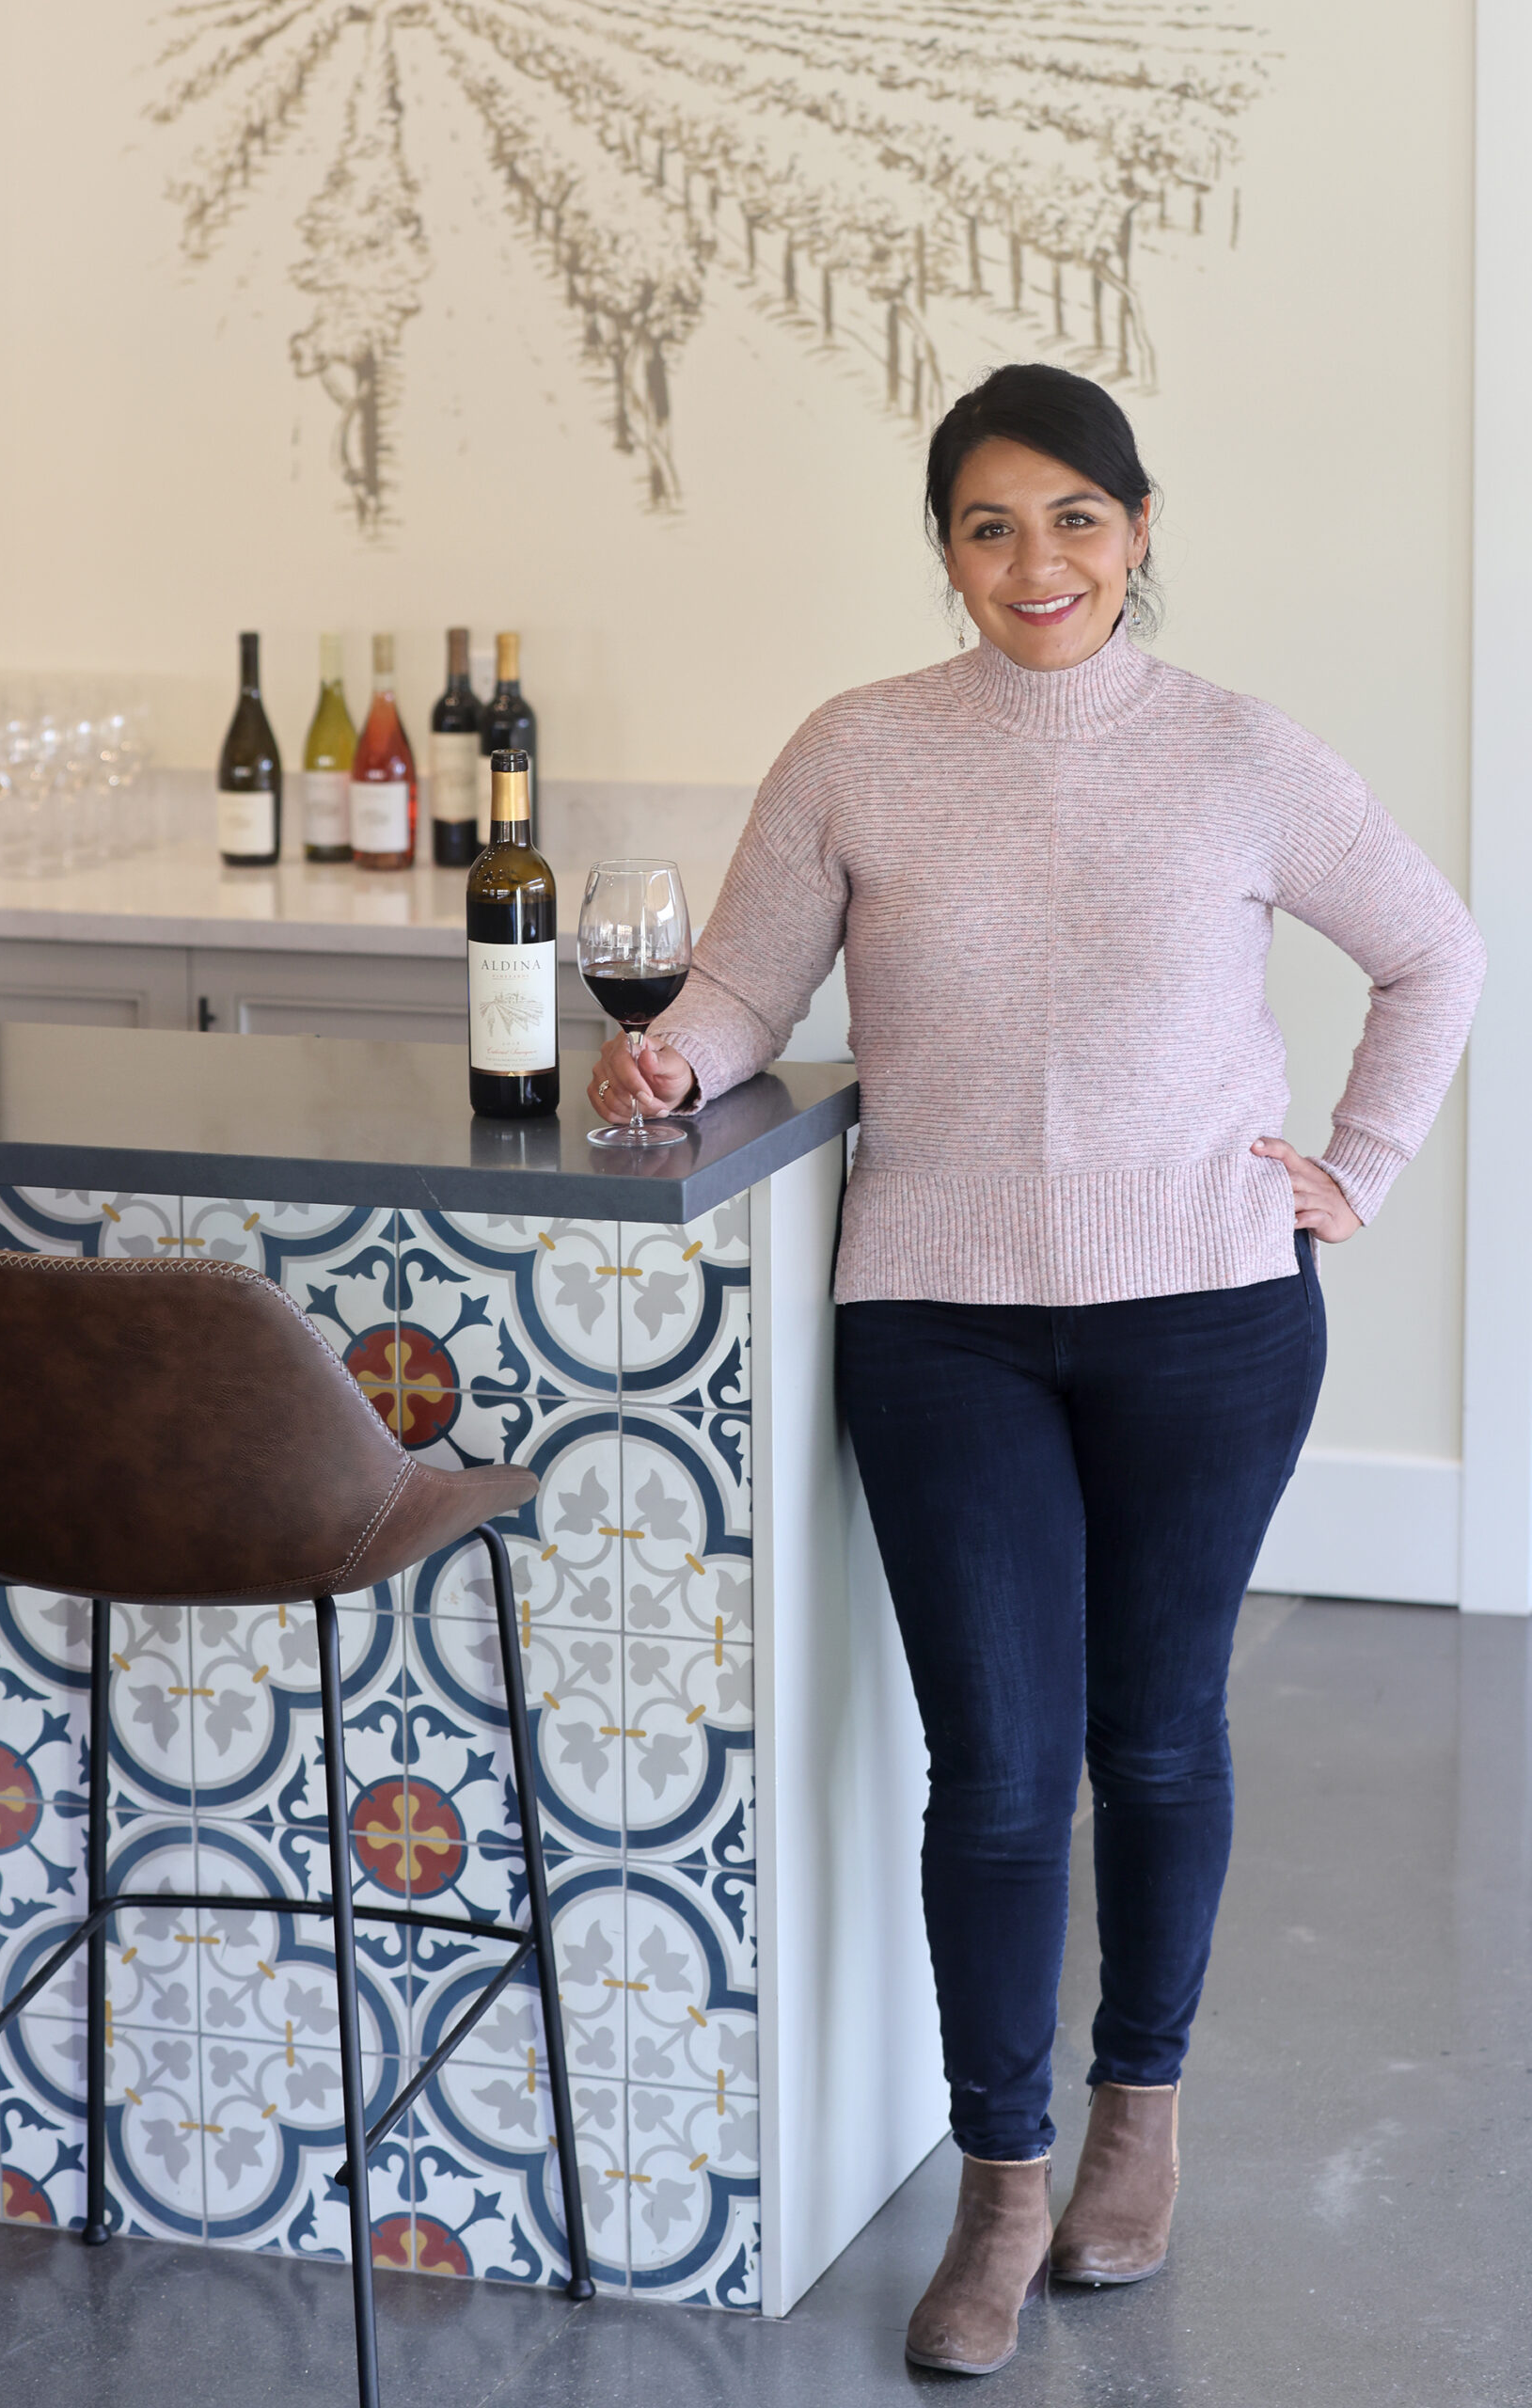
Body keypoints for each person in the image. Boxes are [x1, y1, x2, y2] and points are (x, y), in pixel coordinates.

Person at [587, 363, 1486, 2377]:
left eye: (1073, 517)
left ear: (1138, 530)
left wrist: (1352, 1168)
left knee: (1153, 1741)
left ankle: (1132, 2124)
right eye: (989, 524)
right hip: (938, 1318)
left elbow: (1435, 945)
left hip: (1206, 1317)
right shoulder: (858, 749)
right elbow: (745, 978)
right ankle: (1000, 2180)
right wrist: (677, 1056)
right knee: (994, 1770)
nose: (1035, 560)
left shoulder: (1240, 754)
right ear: (945, 551)